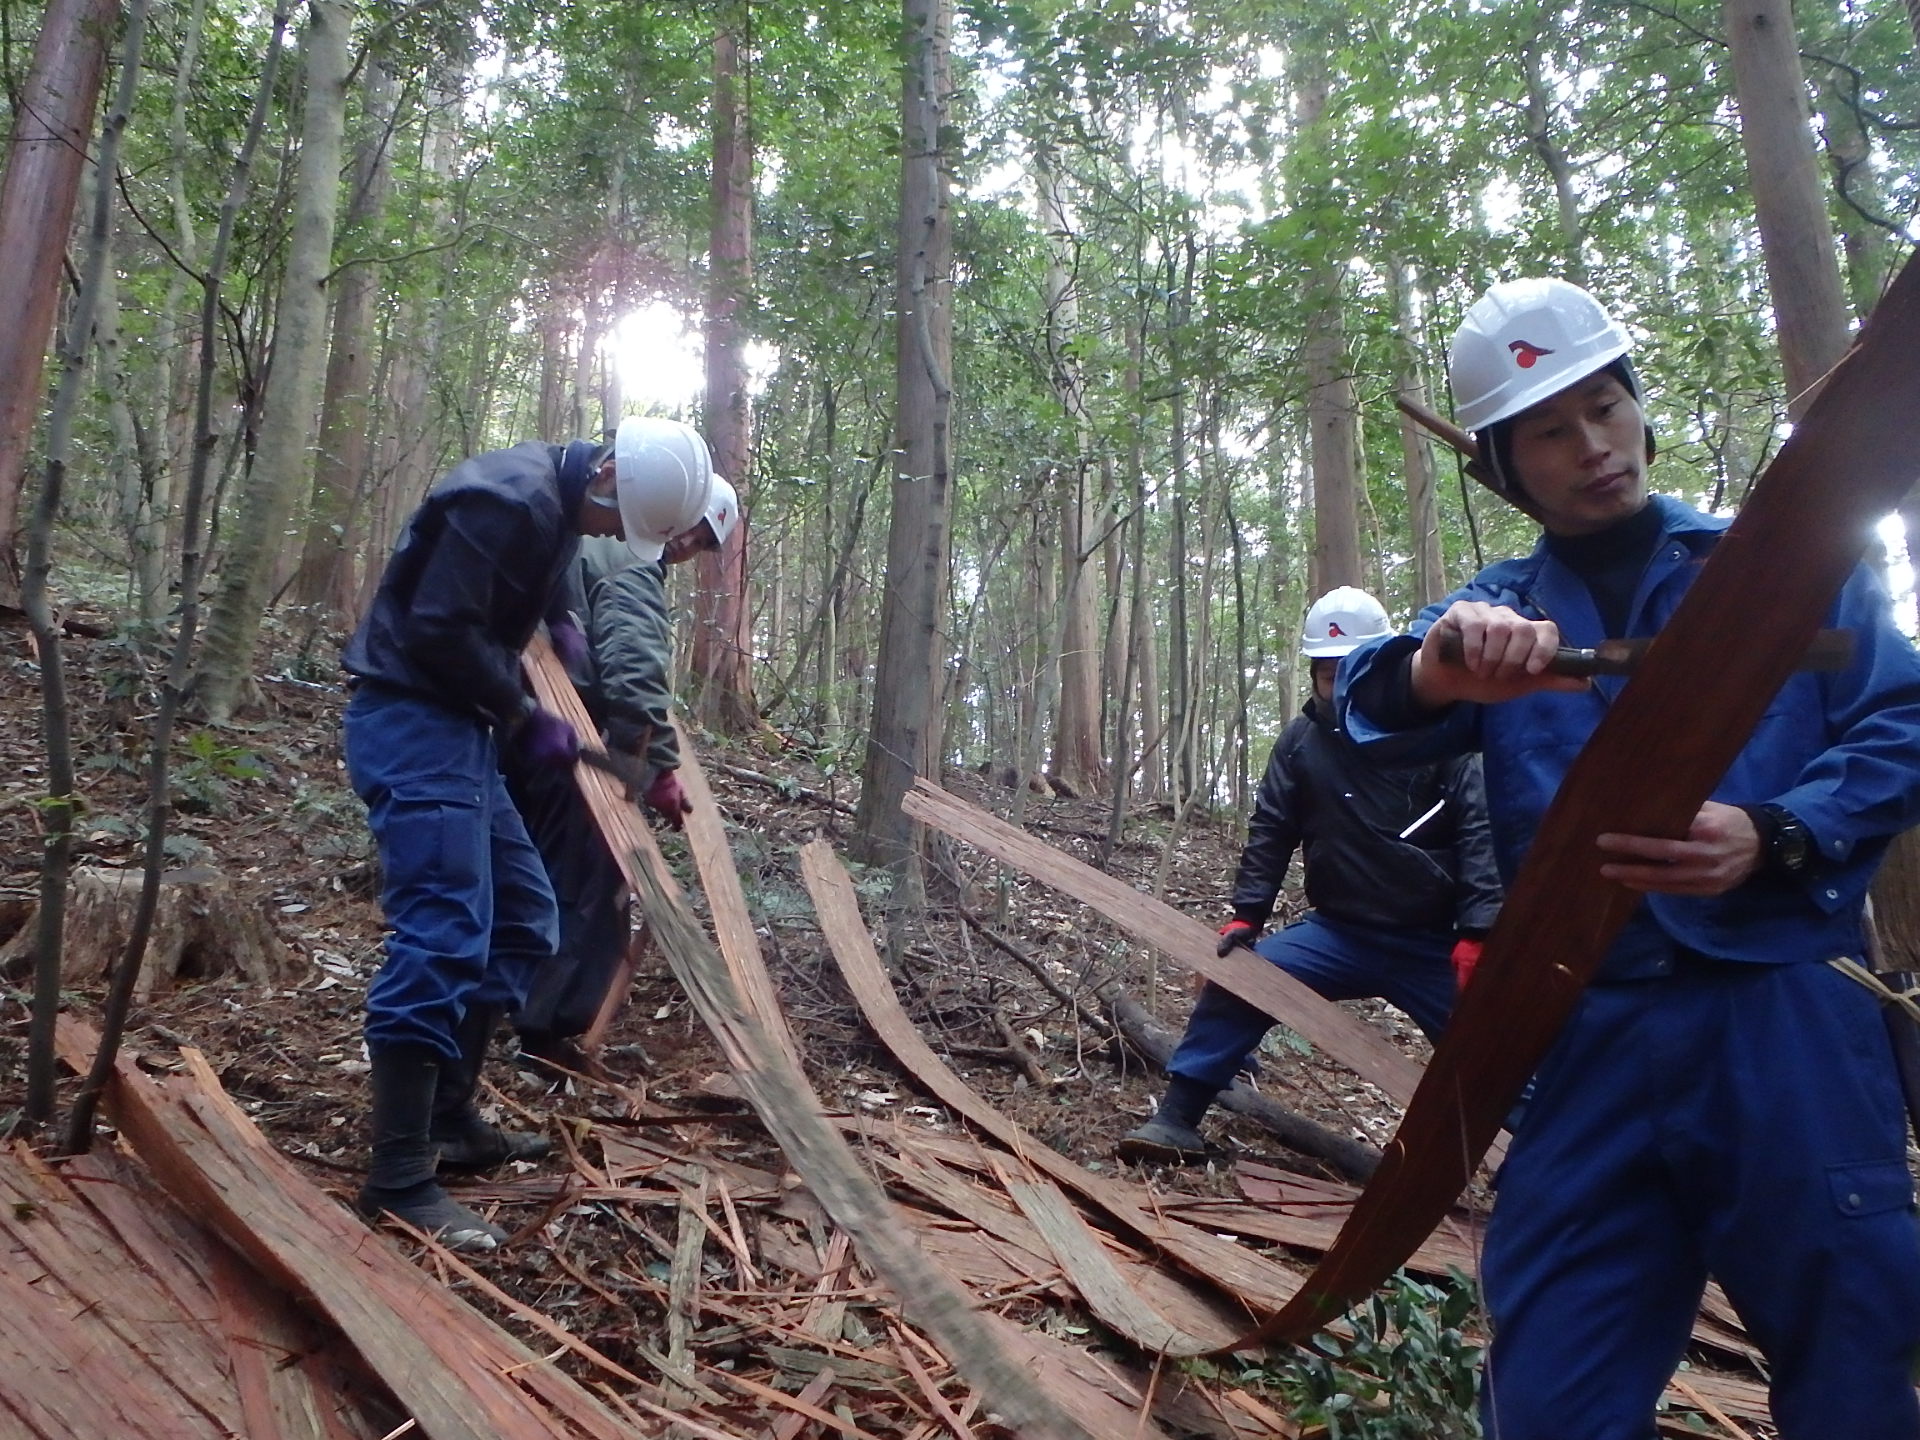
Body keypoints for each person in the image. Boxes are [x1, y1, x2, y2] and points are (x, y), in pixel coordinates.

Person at [1337, 277, 1920, 1439]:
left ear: (1640, 411)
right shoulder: (1496, 611)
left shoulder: (1776, 568)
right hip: (1581, 1031)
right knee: (1550, 1391)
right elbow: (1371, 702)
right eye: (1548, 429)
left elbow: (1901, 718)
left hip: (1785, 1016)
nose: (1591, 446)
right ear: (1504, 466)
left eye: (1604, 407)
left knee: (1858, 1357)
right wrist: (1443, 668)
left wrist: (1779, 830)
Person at [341, 416, 714, 1249]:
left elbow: (537, 584)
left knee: (521, 918)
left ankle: (451, 1121)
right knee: (442, 932)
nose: (617, 537)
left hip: (462, 731)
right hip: (411, 719)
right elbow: (438, 626)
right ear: (608, 472)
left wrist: (564, 627)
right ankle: (398, 1176)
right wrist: (522, 710)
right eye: (619, 521)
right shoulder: (503, 498)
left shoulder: (558, 504)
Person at [1118, 586, 1502, 1163]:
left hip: (1434, 942)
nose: (1340, 685)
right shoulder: (1302, 742)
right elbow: (1272, 826)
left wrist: (1481, 931)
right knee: (1241, 985)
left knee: (1497, 1050)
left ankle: (1529, 1166)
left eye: (1353, 670)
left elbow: (1481, 833)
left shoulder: (1446, 734)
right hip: (1340, 932)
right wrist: (1247, 914)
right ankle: (1177, 1119)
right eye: (1328, 673)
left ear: (1384, 666)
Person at [507, 476, 743, 1076]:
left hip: (533, 732)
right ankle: (548, 1036)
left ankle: (521, 1019)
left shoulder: (587, 543)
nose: (691, 549)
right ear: (673, 516)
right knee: (589, 893)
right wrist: (655, 765)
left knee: (543, 879)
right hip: (579, 749)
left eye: (706, 544)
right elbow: (634, 673)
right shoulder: (630, 561)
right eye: (694, 533)